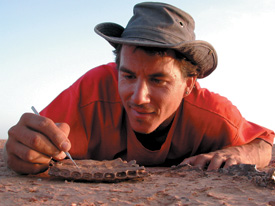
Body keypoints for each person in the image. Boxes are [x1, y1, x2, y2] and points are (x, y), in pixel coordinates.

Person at [4, 2, 274, 175]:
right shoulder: (93, 90)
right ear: (116, 69)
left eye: (158, 80)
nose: (138, 97)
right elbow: (35, 138)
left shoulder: (213, 114)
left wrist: (238, 152)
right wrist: (26, 149)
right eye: (129, 76)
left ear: (189, 84)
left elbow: (264, 144)